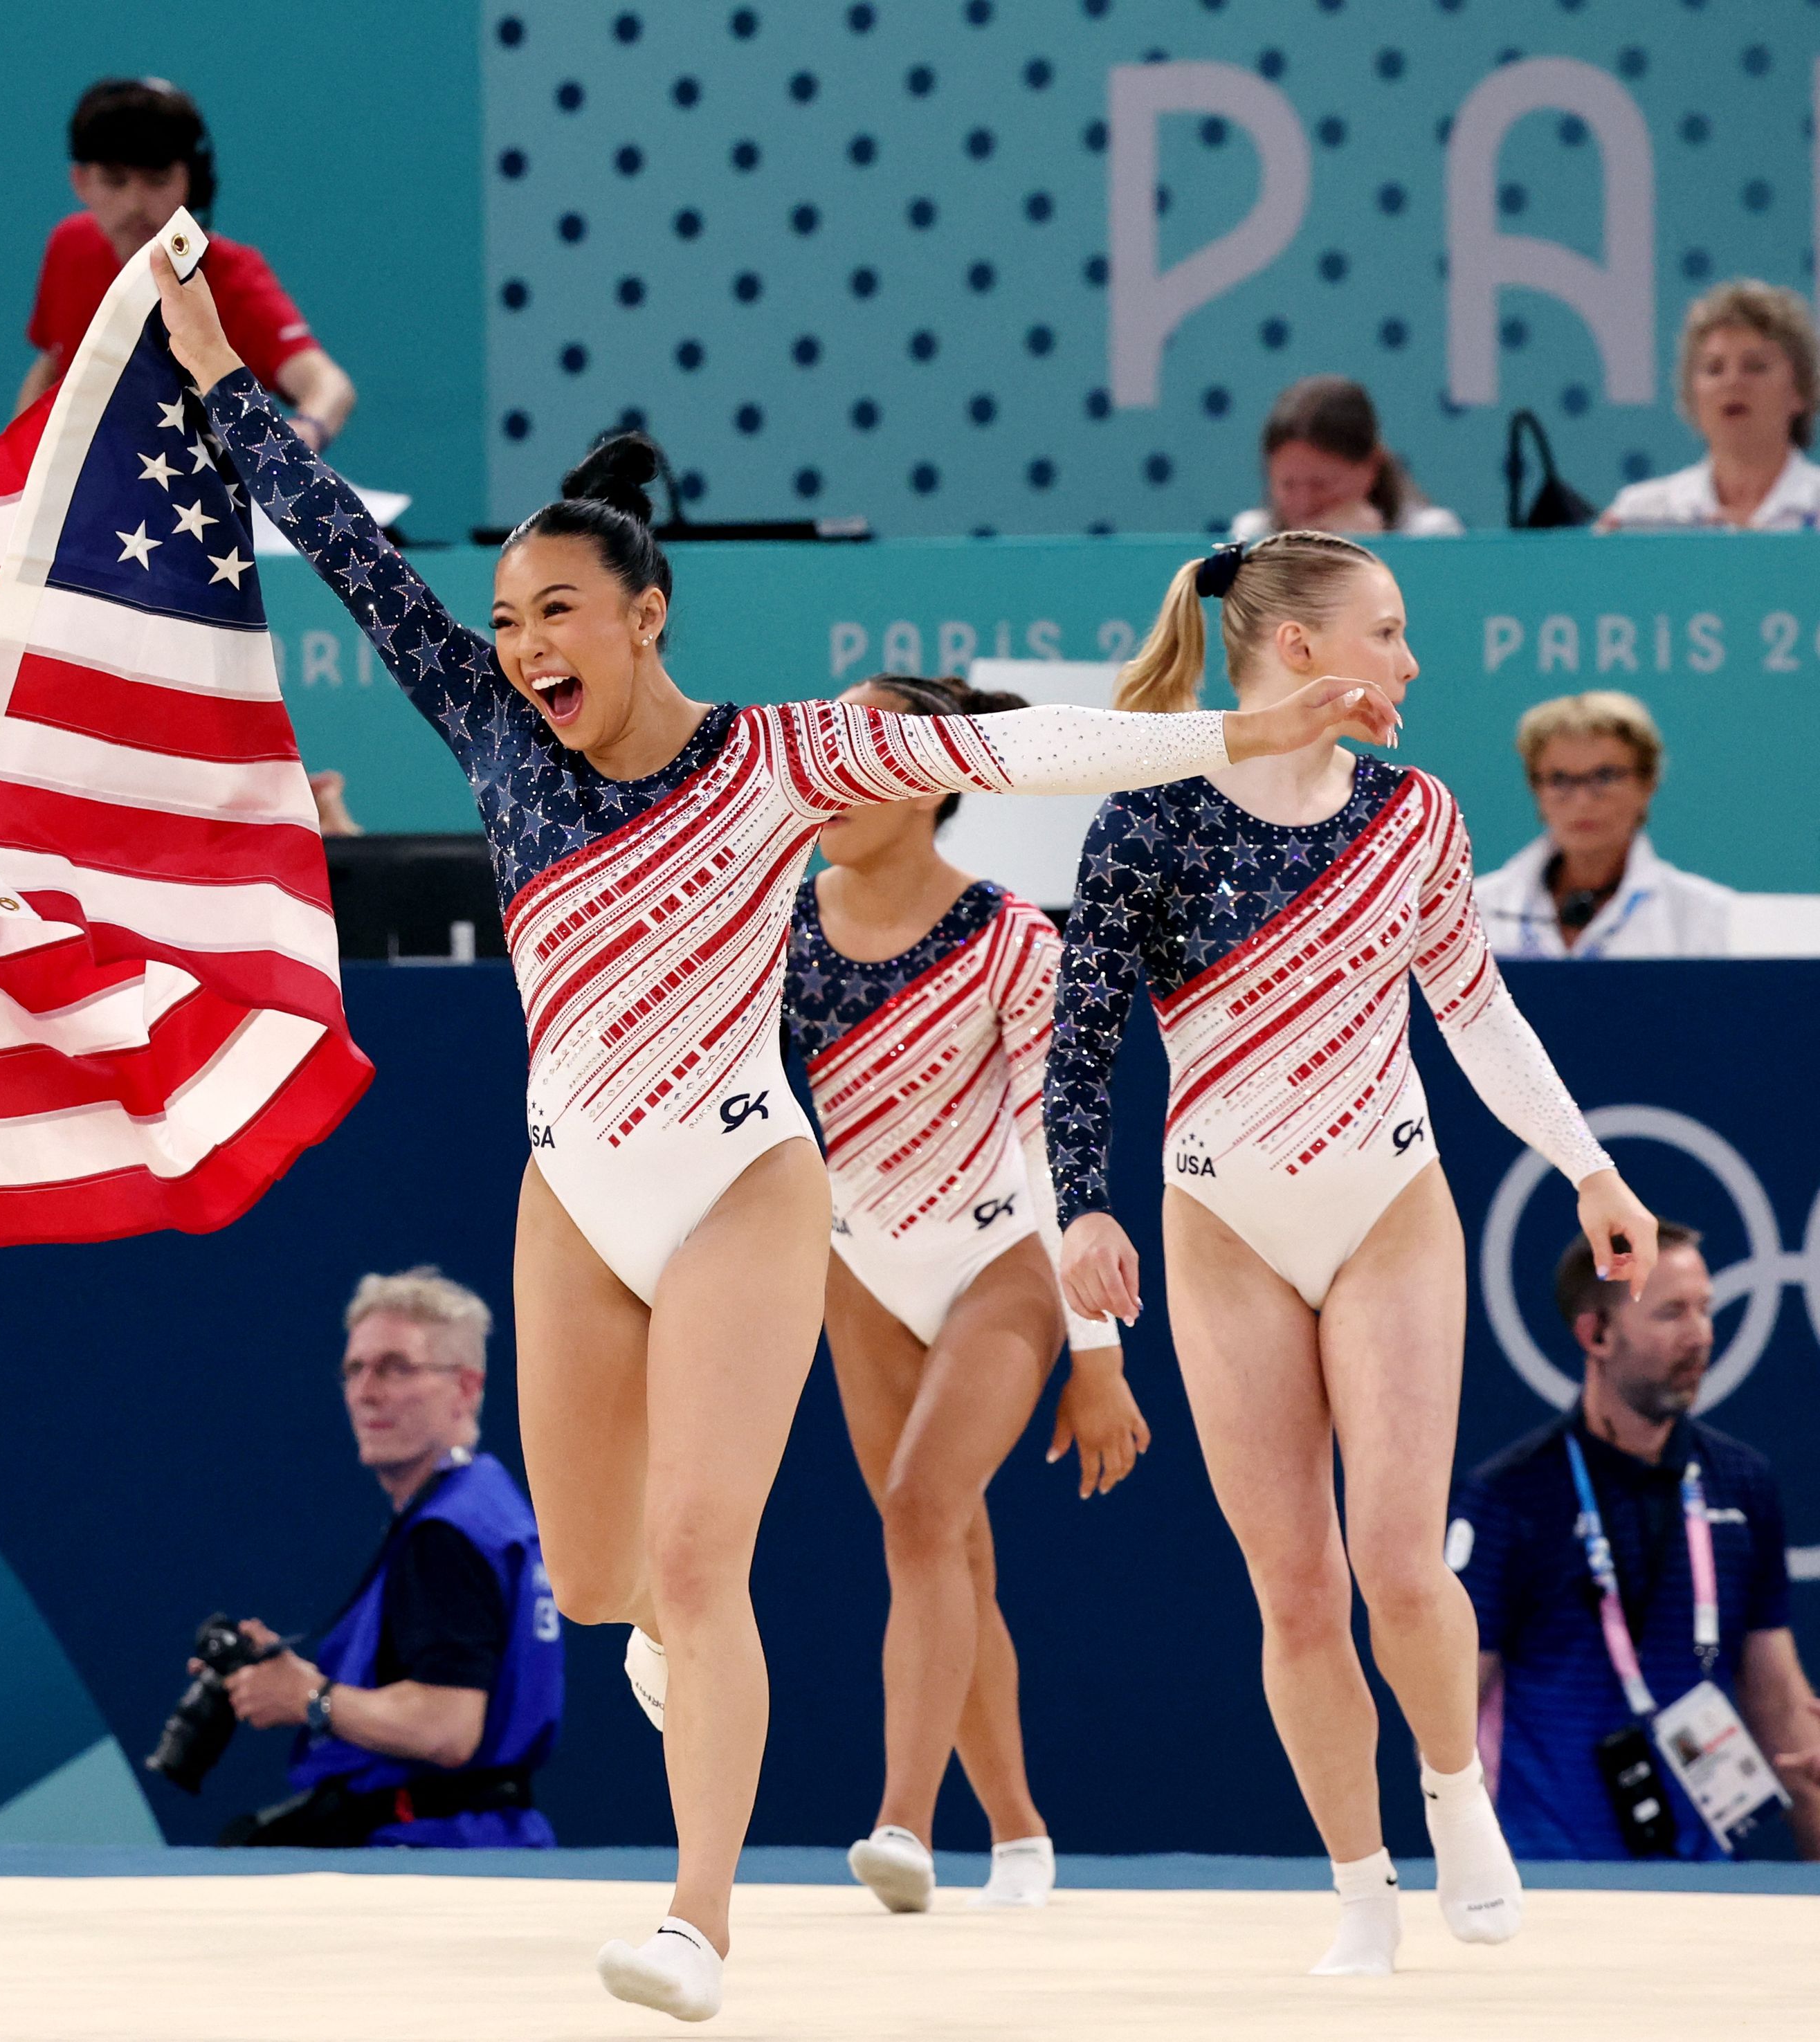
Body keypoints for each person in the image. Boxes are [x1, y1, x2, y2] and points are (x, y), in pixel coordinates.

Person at [156, 248, 1398, 2023]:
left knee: (695, 1551)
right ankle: (664, 1643)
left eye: (556, 613)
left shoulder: (775, 759)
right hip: (574, 1199)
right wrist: (213, 365)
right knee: (594, 1581)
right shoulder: (494, 739)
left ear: (645, 614)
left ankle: (696, 1917)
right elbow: (339, 543)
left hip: (746, 1186)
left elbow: (1026, 744)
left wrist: (1246, 723)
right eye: (507, 620)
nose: (521, 647)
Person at [1050, 530, 1660, 1978]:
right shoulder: (1143, 821)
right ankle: (1357, 1883)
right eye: (1387, 631)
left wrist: (1585, 1164)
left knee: (1395, 1557)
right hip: (1223, 1227)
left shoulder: (1412, 815)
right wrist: (1080, 1204)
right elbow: (1074, 1047)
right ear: (1300, 649)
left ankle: (1454, 1798)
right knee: (1295, 1588)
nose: (1409, 661)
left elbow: (1475, 1010)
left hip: (1386, 1203)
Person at [784, 672, 1145, 1920]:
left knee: (922, 1503)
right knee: (945, 1547)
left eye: (866, 743)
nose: (830, 761)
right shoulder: (780, 930)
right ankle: (1022, 1835)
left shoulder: (1013, 942)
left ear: (931, 779)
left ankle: (902, 1823)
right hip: (858, 1263)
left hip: (1002, 1258)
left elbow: (1062, 1151)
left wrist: (1094, 1352)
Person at [1450, 1226, 1820, 1863]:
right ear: (1596, 1334)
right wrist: (1470, 1864)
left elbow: (1777, 1699)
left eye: (1706, 1307)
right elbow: (1450, 1701)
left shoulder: (1742, 1482)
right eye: (1672, 1312)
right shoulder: (1510, 1496)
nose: (1701, 1334)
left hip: (1707, 1884)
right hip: (1549, 1876)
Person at [215, 1268, 562, 1848]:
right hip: (484, 1841)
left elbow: (448, 1726)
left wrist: (307, 1696)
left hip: (436, 1856)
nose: (366, 1391)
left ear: (467, 1388)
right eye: (355, 1368)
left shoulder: (446, 1533)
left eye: (396, 1367)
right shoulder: (487, 1505)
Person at [15, 79, 354, 452]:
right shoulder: (68, 246)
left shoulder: (233, 277)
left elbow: (328, 385)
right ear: (81, 182)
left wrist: (307, 430)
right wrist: (24, 458)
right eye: (115, 181)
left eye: (157, 180)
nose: (135, 204)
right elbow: (53, 363)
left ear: (190, 182)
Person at [1473, 691, 1735, 958]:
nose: (1582, 800)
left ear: (1647, 784)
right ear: (1535, 789)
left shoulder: (1705, 915)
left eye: (1605, 777)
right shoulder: (1471, 911)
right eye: (1560, 779)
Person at [1600, 280, 1820, 531]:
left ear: (1799, 391)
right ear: (1693, 395)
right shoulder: (1642, 513)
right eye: (1714, 369)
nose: (1732, 382)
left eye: (1755, 367)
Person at [1229, 376, 1462, 543]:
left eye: (1321, 485)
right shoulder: (1251, 538)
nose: (1304, 503)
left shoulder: (1430, 537)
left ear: (1370, 468)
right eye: (1287, 485)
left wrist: (1372, 550)